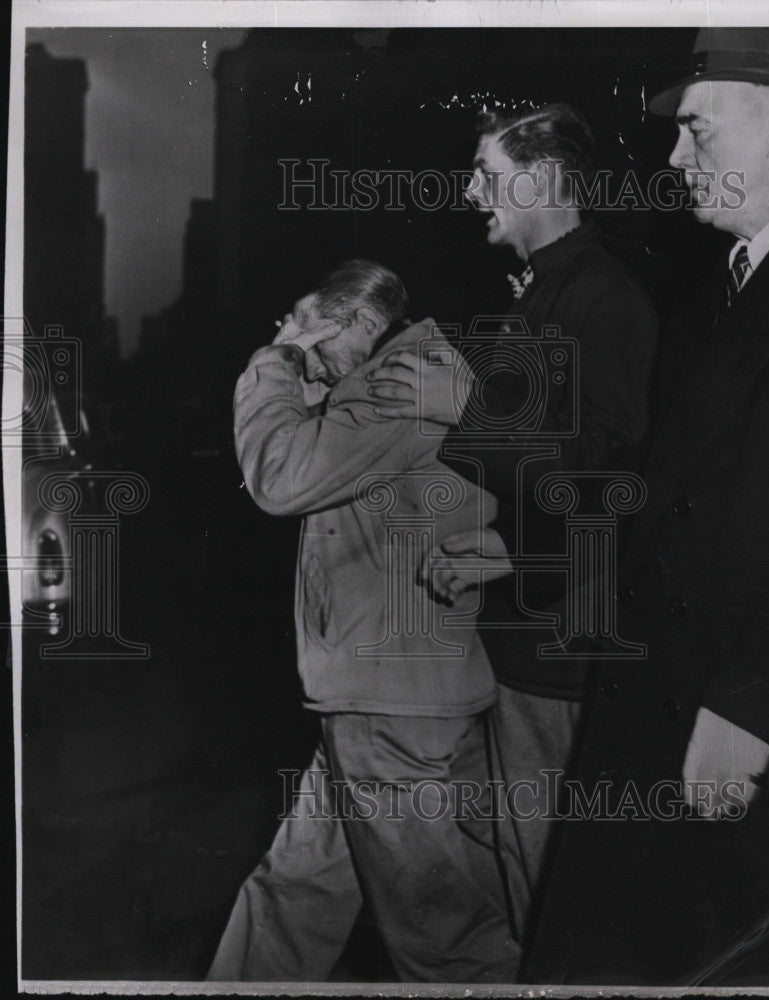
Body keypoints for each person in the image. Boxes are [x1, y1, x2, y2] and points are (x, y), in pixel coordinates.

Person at [523, 28, 769, 984]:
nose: (673, 159)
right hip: (665, 693)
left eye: (697, 131)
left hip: (741, 723)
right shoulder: (728, 287)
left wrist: (757, 706)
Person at [365, 103, 658, 953]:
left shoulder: (604, 296)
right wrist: (499, 547)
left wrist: (459, 410)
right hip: (522, 625)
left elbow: (605, 476)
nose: (469, 191)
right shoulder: (551, 291)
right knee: (506, 857)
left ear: (549, 180)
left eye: (489, 175)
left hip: (559, 642)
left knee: (547, 875)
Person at [207, 260, 520, 983]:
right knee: (294, 894)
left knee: (442, 937)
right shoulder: (406, 375)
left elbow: (281, 476)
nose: (306, 358)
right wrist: (309, 366)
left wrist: (275, 359)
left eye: (312, 335)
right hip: (384, 694)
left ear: (349, 323)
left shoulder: (398, 383)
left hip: (390, 709)